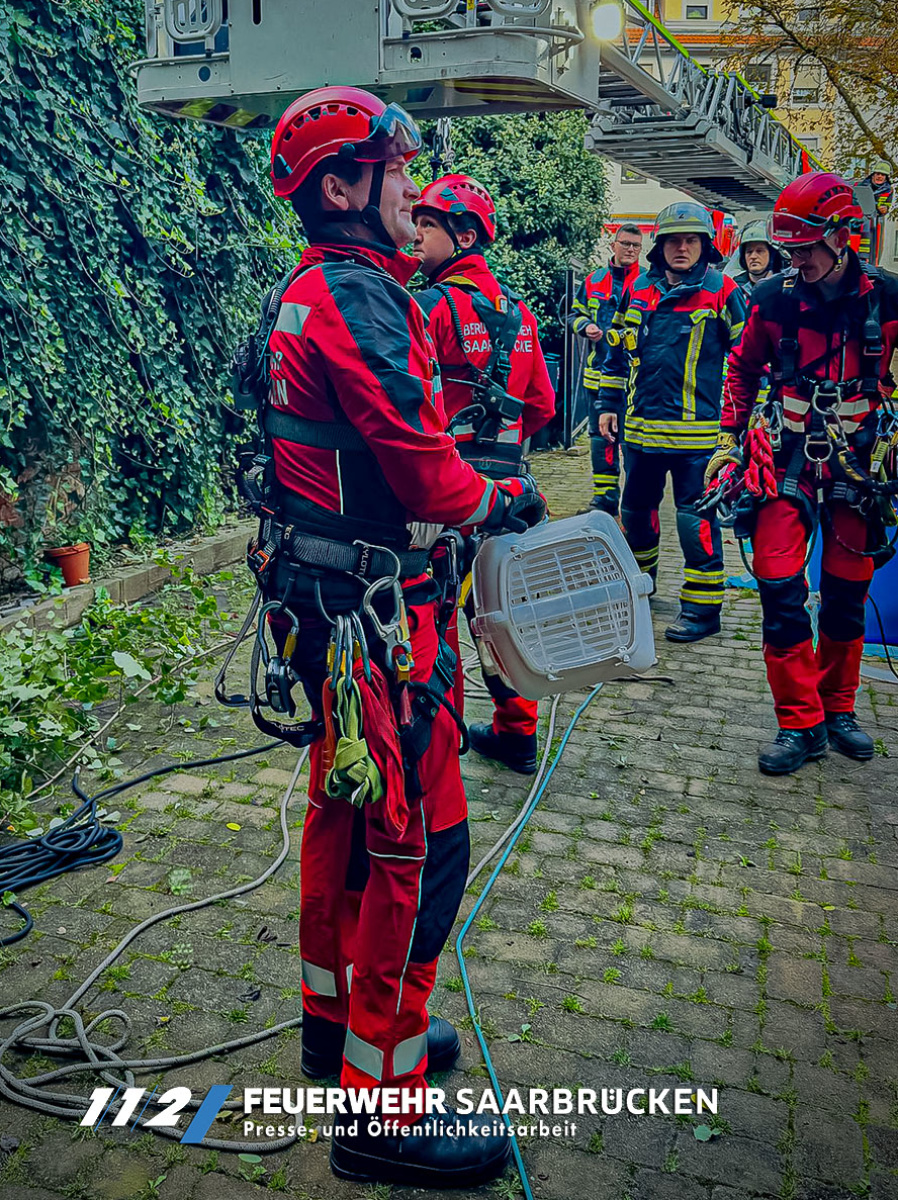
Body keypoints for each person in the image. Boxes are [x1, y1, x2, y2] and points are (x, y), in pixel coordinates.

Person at [264, 85, 546, 1187]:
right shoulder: (358, 298)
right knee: (414, 850)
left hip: (335, 611)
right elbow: (426, 472)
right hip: (375, 625)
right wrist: (500, 501)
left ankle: (337, 1040)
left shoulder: (317, 289)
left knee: (345, 825)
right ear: (342, 186)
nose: (412, 194)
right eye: (396, 174)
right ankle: (380, 1115)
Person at [710, 171, 898, 775]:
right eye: (790, 249)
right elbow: (742, 370)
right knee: (778, 585)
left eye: (807, 248)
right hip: (787, 458)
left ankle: (838, 709)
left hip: (859, 467)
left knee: (846, 594)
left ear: (843, 236)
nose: (797, 260)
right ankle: (800, 722)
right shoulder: (772, 299)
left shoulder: (888, 299)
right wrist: (730, 439)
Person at [411, 173, 555, 775]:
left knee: (439, 613)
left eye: (428, 225)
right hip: (510, 492)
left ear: (465, 236)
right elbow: (542, 406)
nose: (416, 235)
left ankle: (440, 741)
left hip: (450, 494)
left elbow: (407, 401)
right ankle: (517, 734)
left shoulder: (429, 307)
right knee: (501, 610)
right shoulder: (519, 314)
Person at [596, 202, 748, 641]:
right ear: (659, 247)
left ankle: (702, 609)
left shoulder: (722, 291)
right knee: (636, 515)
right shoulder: (638, 289)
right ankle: (639, 589)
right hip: (640, 432)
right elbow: (615, 353)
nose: (682, 248)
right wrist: (608, 404)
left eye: (691, 240)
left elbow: (747, 361)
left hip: (698, 439)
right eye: (674, 241)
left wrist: (740, 427)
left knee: (693, 522)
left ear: (705, 246)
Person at [568, 224, 643, 515]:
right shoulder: (593, 281)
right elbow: (574, 314)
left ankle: (634, 505)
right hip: (598, 378)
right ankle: (605, 499)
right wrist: (585, 326)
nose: (630, 250)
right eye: (625, 243)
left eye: (636, 245)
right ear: (613, 245)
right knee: (601, 441)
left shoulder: (647, 283)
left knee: (633, 442)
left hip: (634, 382)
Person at [732, 218, 788, 299]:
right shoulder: (734, 287)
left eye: (759, 251)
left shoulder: (785, 287)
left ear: (772, 255)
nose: (753, 256)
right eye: (749, 252)